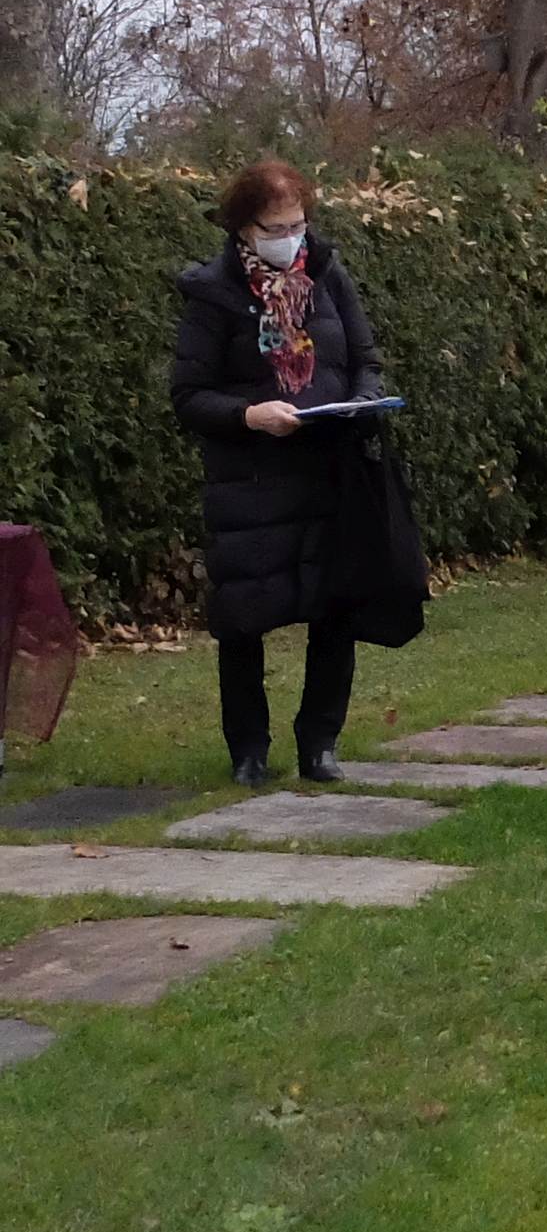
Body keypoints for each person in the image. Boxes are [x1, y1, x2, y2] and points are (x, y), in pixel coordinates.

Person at [170, 158, 387, 786]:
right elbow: (188, 395)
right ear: (243, 229)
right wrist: (249, 414)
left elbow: (366, 357)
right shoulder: (213, 293)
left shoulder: (327, 274)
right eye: (274, 226)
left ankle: (320, 743)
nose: (289, 237)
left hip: (328, 470)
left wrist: (364, 404)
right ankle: (249, 751)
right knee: (243, 615)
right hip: (251, 482)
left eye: (297, 223)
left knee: (334, 607)